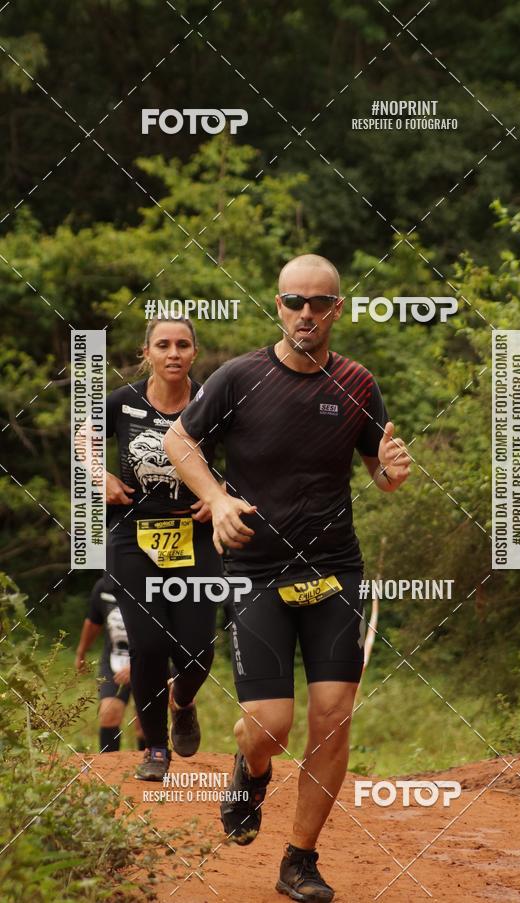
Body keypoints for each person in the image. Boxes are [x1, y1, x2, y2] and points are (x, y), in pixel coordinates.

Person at [164, 255, 411, 901]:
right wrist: (217, 500)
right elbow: (179, 442)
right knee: (270, 723)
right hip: (255, 569)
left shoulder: (359, 383)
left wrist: (391, 471)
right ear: (278, 305)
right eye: (294, 300)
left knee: (333, 716)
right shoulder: (238, 377)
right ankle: (250, 769)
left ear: (338, 309)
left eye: (320, 302)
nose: (307, 312)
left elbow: (378, 473)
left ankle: (299, 859)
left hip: (334, 568)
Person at [104, 316, 221, 781]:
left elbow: (251, 456)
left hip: (195, 536)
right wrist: (99, 475)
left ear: (194, 353)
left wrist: (223, 494)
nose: (173, 353)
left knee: (197, 652)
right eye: (163, 345)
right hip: (134, 537)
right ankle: (155, 748)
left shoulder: (213, 402)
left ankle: (183, 700)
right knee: (148, 645)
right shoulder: (121, 402)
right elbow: (82, 439)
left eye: (183, 345)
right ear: (146, 352)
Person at [75, 575, 145, 753]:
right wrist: (81, 652)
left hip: (148, 660)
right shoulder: (104, 586)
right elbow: (93, 622)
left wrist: (135, 666)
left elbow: (164, 630)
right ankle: (106, 773)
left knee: (144, 724)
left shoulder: (153, 584)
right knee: (108, 713)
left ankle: (149, 767)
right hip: (113, 659)